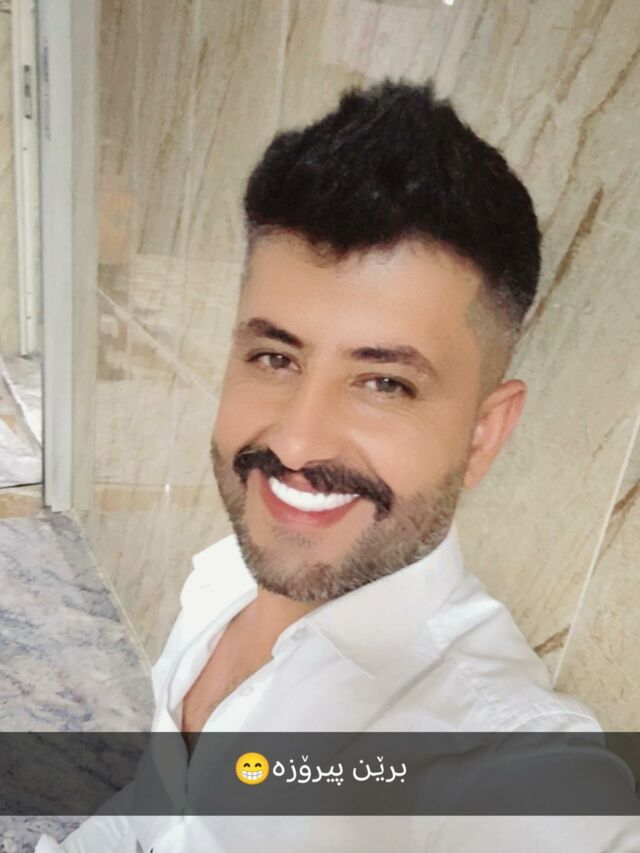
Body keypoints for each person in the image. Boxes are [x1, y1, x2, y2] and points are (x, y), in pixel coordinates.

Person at [36, 79, 640, 852]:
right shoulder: (220, 583)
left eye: (384, 382)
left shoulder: (503, 769)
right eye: (274, 356)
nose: (295, 444)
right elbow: (150, 812)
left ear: (483, 434)